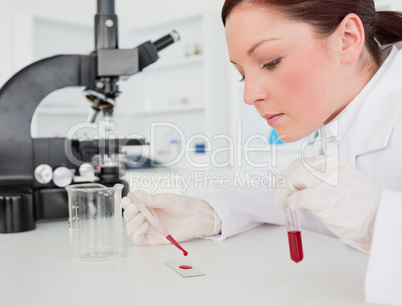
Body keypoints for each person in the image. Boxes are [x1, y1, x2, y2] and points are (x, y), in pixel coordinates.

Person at [121, 0, 402, 304]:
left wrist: (378, 218)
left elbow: (356, 205)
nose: (249, 95)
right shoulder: (341, 116)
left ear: (347, 39)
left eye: (270, 62)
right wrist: (206, 213)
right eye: (242, 74)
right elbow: (300, 195)